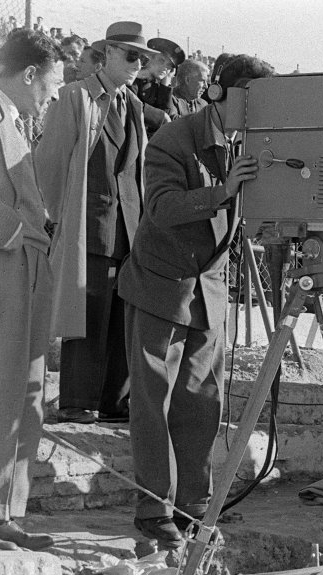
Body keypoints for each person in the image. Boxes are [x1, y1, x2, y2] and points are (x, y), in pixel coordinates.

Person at [116, 54, 273, 549]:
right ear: (221, 94)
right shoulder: (173, 138)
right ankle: (153, 510)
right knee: (153, 405)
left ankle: (195, 507)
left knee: (202, 405)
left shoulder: (254, 143)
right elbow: (160, 208)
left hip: (208, 290)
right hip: (160, 287)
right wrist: (224, 191)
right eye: (252, 96)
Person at [37, 21, 154, 425]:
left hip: (129, 231)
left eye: (142, 58)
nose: (138, 64)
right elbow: (49, 163)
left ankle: (113, 402)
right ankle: (77, 401)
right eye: (131, 55)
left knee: (122, 318)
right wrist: (62, 216)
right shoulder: (76, 98)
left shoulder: (134, 106)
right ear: (107, 53)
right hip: (89, 228)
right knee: (86, 315)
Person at [0, 28, 64, 551]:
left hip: (22, 270)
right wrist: (10, 231)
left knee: (22, 396)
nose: (52, 98)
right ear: (30, 73)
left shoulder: (9, 114)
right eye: (50, 86)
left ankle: (1, 511)